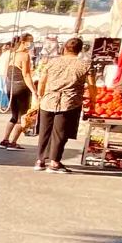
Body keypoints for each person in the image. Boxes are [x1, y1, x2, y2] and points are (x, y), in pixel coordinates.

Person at [33, 36, 90, 173]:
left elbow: (42, 81)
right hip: (68, 102)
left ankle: (40, 160)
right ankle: (54, 162)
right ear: (80, 49)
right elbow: (92, 85)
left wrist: (40, 95)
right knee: (60, 133)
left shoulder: (52, 62)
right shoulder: (84, 64)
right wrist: (92, 100)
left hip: (48, 100)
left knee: (44, 132)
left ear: (64, 47)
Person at [0, 35, 36, 151]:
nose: (31, 44)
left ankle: (5, 140)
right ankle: (13, 142)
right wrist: (34, 91)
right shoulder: (24, 56)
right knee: (22, 116)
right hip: (21, 87)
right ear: (23, 42)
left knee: (14, 115)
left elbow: (6, 72)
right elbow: (26, 75)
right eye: (30, 42)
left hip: (10, 87)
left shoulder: (11, 55)